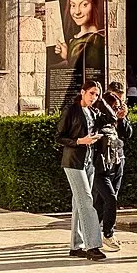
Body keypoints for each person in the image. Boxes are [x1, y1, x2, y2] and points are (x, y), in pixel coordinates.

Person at [57, 80, 106, 260]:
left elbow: (110, 120)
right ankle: (92, 246)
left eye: (97, 94)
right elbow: (59, 137)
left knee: (78, 204)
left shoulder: (94, 112)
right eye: (91, 93)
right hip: (73, 162)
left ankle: (76, 246)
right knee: (86, 200)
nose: (94, 97)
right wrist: (79, 141)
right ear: (83, 92)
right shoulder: (71, 111)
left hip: (88, 161)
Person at [90, 82, 131, 247]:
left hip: (117, 163)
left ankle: (91, 233)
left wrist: (122, 120)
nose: (117, 110)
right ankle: (108, 233)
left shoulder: (118, 120)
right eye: (114, 106)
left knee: (102, 202)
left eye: (119, 105)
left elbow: (127, 134)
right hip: (101, 167)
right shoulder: (98, 120)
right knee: (109, 199)